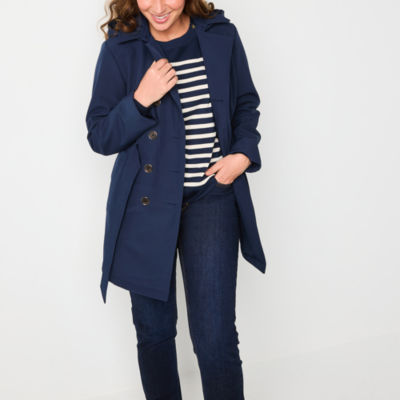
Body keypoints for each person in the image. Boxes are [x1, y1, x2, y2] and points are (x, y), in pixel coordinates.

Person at [85, 1, 267, 399]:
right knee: (154, 332)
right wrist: (139, 100)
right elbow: (100, 136)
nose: (158, 6)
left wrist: (241, 155)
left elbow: (245, 104)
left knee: (216, 337)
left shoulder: (220, 35)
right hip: (145, 203)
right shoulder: (120, 48)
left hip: (211, 198)